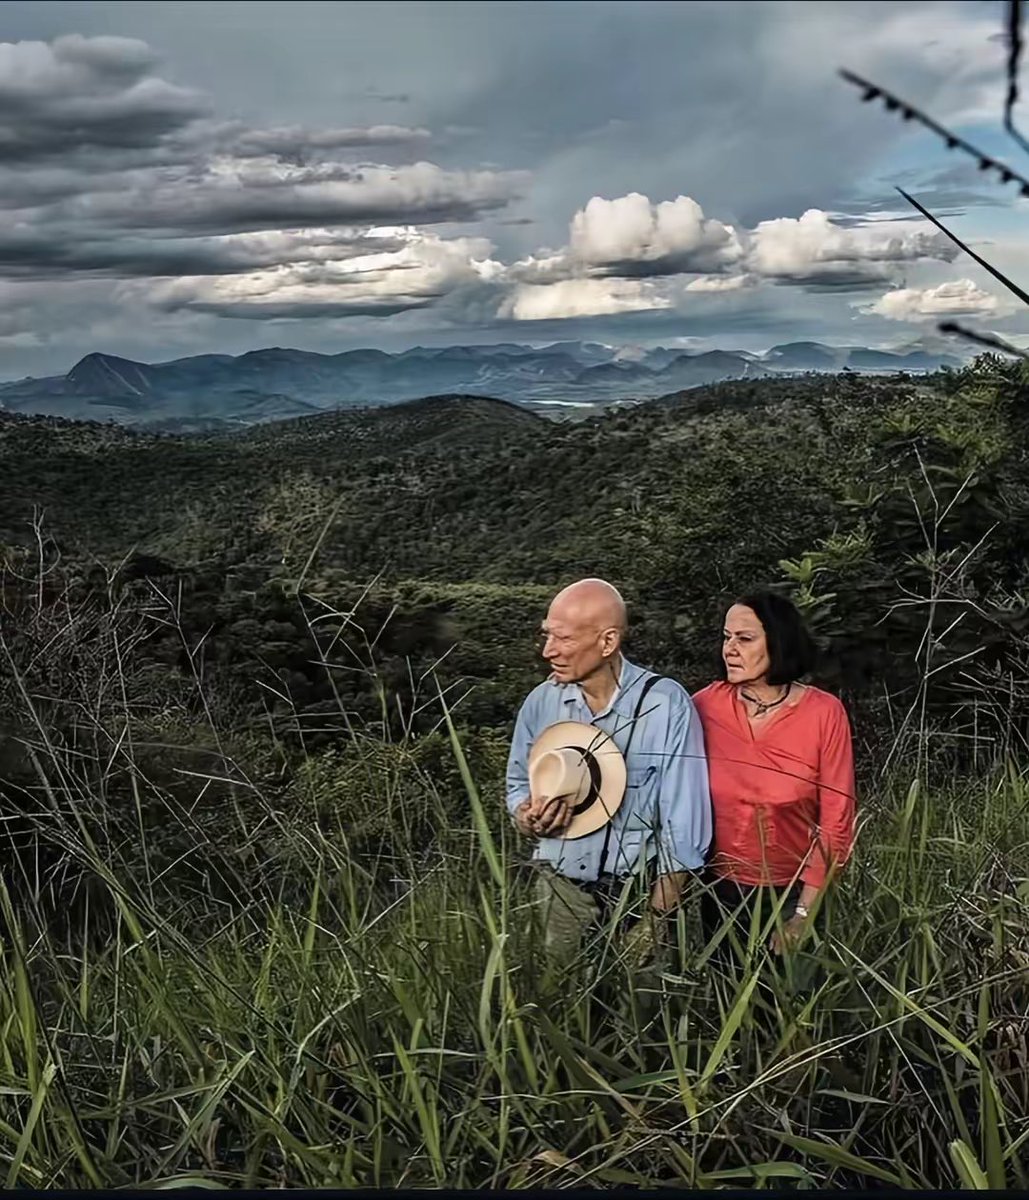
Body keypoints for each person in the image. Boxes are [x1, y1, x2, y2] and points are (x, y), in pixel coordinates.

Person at [505, 577, 712, 967]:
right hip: (561, 892)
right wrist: (526, 816)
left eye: (563, 639)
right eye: (547, 636)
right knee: (562, 997)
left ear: (608, 642)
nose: (548, 650)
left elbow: (684, 824)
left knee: (641, 1002)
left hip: (641, 895)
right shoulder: (541, 703)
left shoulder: (665, 705)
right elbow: (517, 785)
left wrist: (656, 919)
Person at [692, 591, 856, 967]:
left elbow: (837, 819)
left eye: (745, 639)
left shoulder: (823, 714)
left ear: (778, 642)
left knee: (788, 997)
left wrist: (802, 915)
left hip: (795, 890)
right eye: (726, 637)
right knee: (725, 993)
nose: (730, 649)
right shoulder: (704, 706)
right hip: (718, 890)